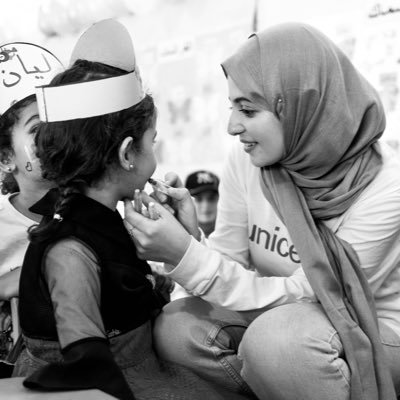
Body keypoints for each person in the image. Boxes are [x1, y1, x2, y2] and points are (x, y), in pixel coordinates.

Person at [124, 22, 400, 400]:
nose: (232, 126)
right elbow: (228, 264)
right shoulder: (249, 159)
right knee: (177, 327)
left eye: (248, 110)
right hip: (280, 315)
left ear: (303, 107)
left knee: (278, 345)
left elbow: (318, 296)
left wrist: (186, 257)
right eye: (232, 107)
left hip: (368, 328)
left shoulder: (387, 187)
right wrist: (191, 239)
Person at [13, 19, 240, 400]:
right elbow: (87, 359)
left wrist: (181, 245)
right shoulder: (69, 249)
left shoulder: (101, 220)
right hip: (111, 381)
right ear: (127, 154)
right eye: (153, 142)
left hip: (139, 359)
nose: (156, 157)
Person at [0, 42, 63, 377]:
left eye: (62, 124)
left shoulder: (102, 206)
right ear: (6, 158)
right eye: (39, 130)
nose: (55, 138)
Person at [185, 170, 219, 238]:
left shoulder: (234, 234)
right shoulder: (179, 236)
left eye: (211, 198)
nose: (205, 206)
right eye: (198, 199)